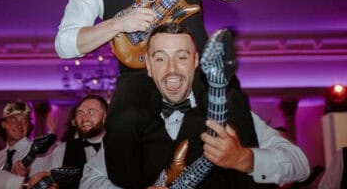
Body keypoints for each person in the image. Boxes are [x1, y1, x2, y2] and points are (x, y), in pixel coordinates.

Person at [55, 0, 257, 188]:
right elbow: (64, 43)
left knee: (232, 103)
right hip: (137, 75)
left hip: (198, 65)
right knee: (121, 122)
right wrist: (118, 23)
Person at [79, 24, 310, 188]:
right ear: (148, 66)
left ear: (196, 61)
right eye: (160, 58)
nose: (171, 68)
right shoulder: (131, 123)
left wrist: (244, 158)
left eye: (181, 57)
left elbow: (299, 164)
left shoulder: (230, 115)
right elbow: (90, 178)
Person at [41, 94, 107, 189]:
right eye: (80, 113)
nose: (84, 118)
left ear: (105, 116)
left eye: (91, 112)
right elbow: (51, 182)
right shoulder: (62, 150)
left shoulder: (122, 147)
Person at [0, 100, 46, 177]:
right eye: (14, 120)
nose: (19, 125)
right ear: (4, 124)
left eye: (24, 121)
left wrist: (24, 180)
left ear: (28, 126)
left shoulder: (37, 153)